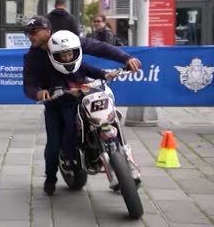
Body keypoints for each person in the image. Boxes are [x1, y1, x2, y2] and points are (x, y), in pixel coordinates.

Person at [22, 16, 141, 196]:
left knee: (108, 115)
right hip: (57, 102)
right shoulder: (33, 56)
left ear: (47, 31)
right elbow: (29, 84)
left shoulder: (67, 40)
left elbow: (99, 48)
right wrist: (38, 93)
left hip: (83, 94)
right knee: (54, 143)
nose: (30, 36)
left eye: (34, 32)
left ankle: (124, 161)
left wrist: (125, 58)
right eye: (28, 33)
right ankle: (51, 177)